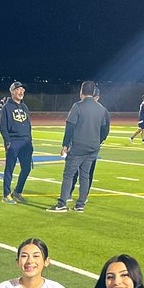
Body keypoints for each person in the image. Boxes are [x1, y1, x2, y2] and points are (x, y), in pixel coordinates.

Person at [50, 80, 109, 213]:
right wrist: (97, 141)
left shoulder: (77, 106)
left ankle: (62, 203)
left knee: (68, 175)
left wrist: (65, 145)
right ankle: (80, 204)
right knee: (85, 175)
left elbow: (69, 127)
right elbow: (104, 129)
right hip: (93, 147)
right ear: (93, 92)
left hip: (78, 147)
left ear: (81, 91)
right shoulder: (101, 109)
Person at [0, 81, 33, 204]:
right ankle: (6, 195)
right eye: (18, 89)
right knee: (9, 169)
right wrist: (8, 142)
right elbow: (3, 127)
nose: (21, 91)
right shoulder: (6, 108)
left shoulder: (25, 107)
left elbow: (28, 125)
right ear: (12, 91)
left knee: (27, 168)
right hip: (13, 142)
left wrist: (30, 141)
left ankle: (17, 192)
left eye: (22, 89)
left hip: (26, 143)